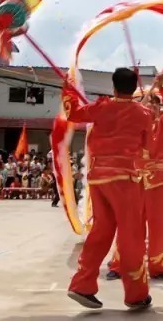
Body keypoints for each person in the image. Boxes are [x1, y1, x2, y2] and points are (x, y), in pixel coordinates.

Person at [64, 67, 153, 310]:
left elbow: (73, 113)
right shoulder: (144, 114)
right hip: (124, 179)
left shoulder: (100, 107)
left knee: (101, 232)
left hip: (98, 177)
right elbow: (149, 146)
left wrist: (70, 86)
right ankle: (135, 294)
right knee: (131, 235)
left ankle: (82, 284)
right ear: (135, 89)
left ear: (113, 86)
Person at [108, 80, 163, 281]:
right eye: (150, 103)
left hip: (159, 184)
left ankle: (157, 267)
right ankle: (119, 265)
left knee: (160, 228)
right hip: (134, 181)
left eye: (157, 104)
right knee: (128, 226)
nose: (153, 106)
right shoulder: (131, 123)